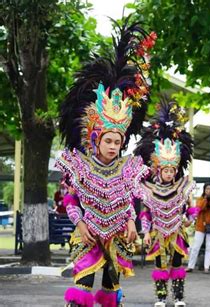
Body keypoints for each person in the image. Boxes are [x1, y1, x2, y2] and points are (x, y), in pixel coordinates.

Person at [55, 20, 154, 307]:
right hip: (87, 233)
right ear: (95, 139)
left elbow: (137, 196)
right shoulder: (79, 164)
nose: (114, 146)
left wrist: (134, 220)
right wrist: (80, 222)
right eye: (108, 141)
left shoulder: (128, 167)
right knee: (81, 289)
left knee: (111, 291)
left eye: (118, 142)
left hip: (120, 235)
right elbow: (71, 198)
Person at [134, 101, 196, 307]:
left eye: (172, 170)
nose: (169, 174)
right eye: (165, 170)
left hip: (178, 231)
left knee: (177, 264)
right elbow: (145, 213)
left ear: (176, 170)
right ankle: (161, 297)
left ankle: (178, 297)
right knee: (160, 265)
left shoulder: (183, 186)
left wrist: (190, 219)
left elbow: (190, 206)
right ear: (159, 170)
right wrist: (145, 231)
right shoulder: (149, 189)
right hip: (159, 233)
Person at [186, 183, 210, 274]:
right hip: (200, 226)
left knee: (209, 247)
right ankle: (190, 266)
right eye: (207, 188)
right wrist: (205, 199)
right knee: (195, 247)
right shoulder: (200, 199)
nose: (208, 190)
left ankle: (206, 267)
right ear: (204, 190)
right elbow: (200, 208)